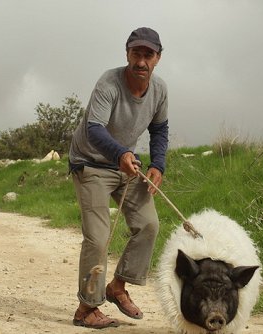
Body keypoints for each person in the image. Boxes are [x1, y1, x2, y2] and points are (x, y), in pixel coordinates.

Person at [68, 27, 169, 329]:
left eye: (148, 55)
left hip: (126, 165)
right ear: (127, 54)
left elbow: (160, 130)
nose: (141, 61)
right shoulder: (108, 83)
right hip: (92, 163)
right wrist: (121, 154)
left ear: (157, 58)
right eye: (136, 53)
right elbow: (94, 129)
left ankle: (117, 286)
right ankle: (86, 309)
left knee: (149, 225)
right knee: (98, 239)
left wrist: (158, 165)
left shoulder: (160, 90)